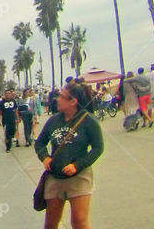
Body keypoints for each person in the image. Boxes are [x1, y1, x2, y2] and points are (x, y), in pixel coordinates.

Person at [35, 82, 104, 229]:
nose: (57, 99)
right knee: (51, 224)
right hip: (55, 177)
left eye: (62, 96)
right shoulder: (53, 120)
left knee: (79, 222)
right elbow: (39, 143)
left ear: (73, 101)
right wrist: (45, 157)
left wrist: (77, 166)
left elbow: (98, 148)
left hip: (79, 177)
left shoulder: (88, 120)